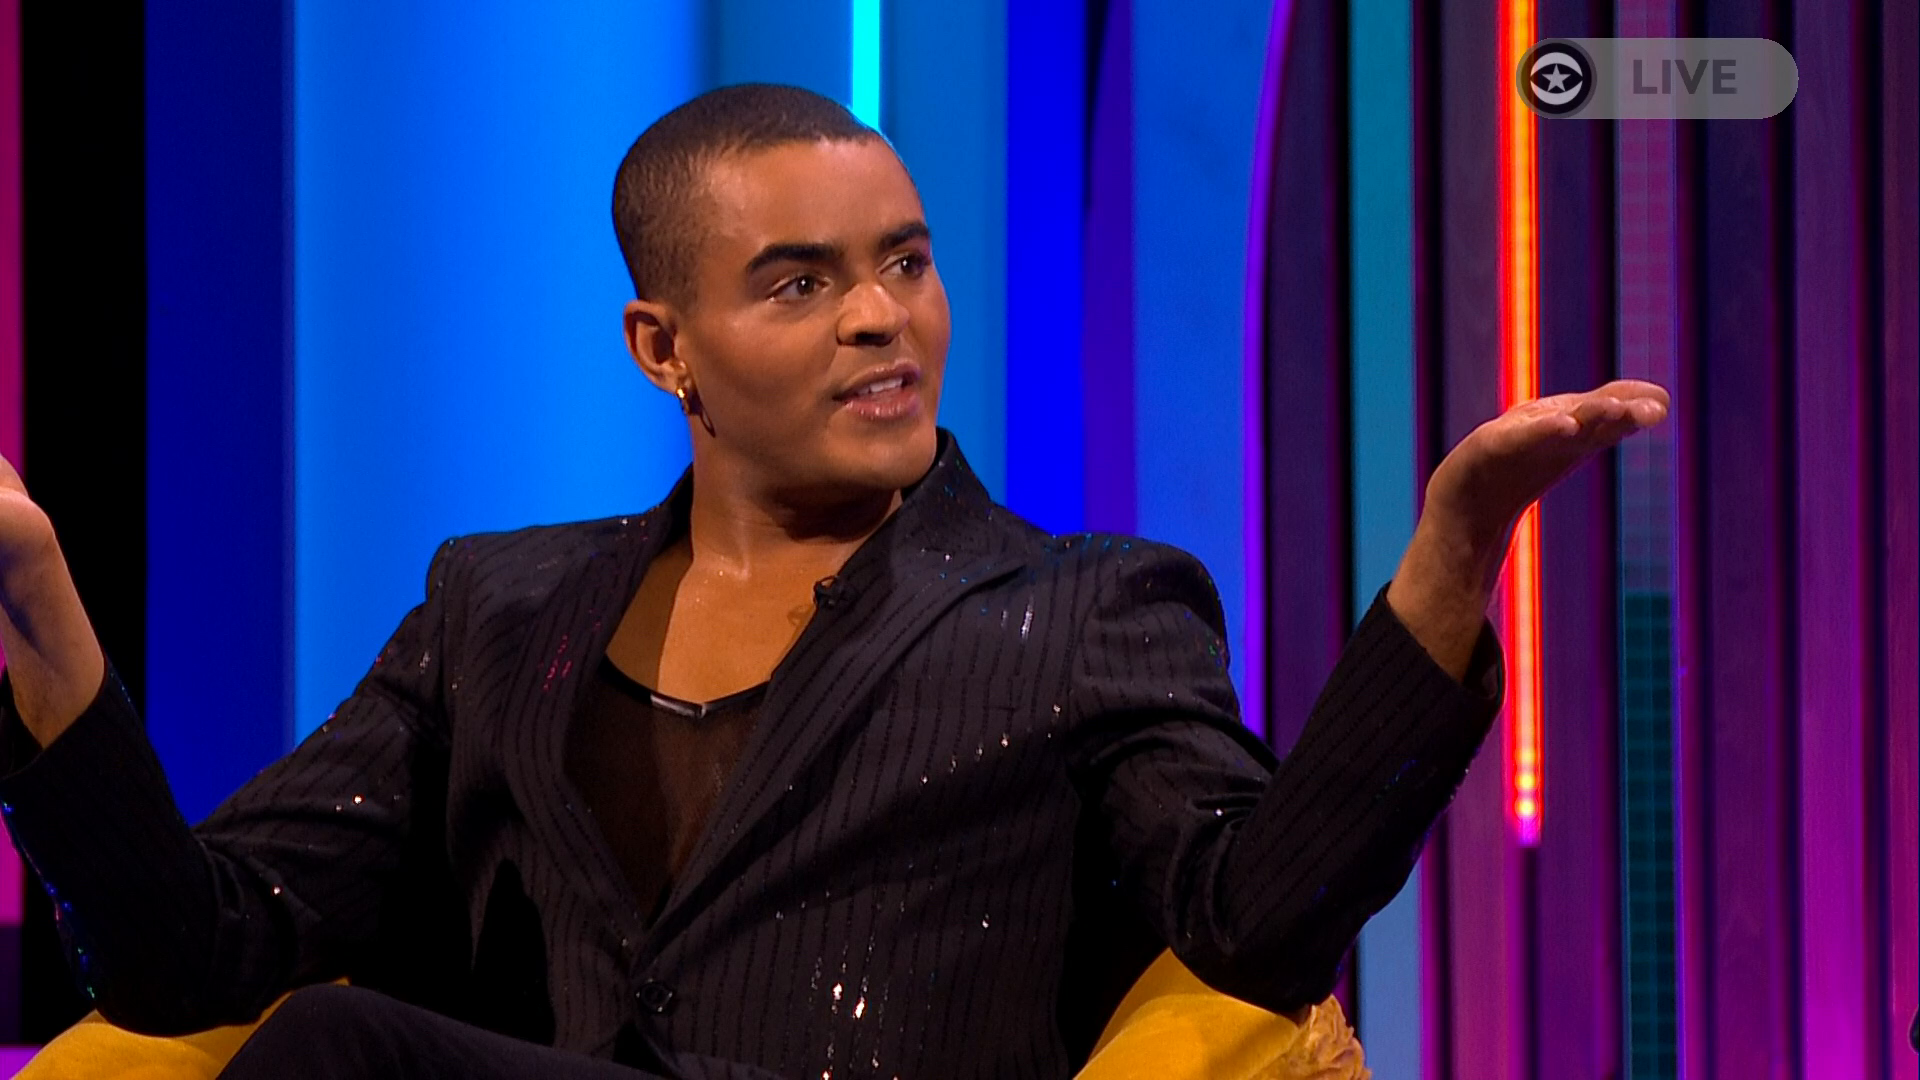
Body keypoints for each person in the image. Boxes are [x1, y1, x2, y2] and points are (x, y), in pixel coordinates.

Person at [0, 84, 1667, 1079]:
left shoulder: (1084, 609)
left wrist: (1447, 565)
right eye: (799, 284)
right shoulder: (494, 610)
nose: (882, 317)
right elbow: (192, 959)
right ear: (665, 348)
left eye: (905, 263)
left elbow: (1257, 924)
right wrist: (50, 637)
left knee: (337, 1056)